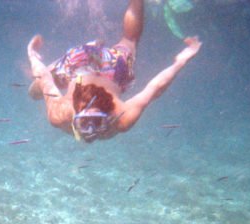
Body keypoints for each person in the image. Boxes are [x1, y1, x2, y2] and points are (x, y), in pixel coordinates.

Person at [27, 0, 201, 143]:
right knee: (34, 92)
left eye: (94, 122)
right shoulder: (120, 119)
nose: (90, 131)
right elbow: (154, 89)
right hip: (97, 69)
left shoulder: (60, 114)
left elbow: (155, 89)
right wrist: (180, 62)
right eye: (90, 122)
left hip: (89, 66)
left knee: (39, 90)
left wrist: (181, 62)